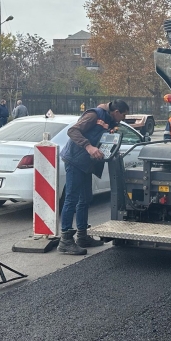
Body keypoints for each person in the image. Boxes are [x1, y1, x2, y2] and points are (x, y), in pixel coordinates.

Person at [58, 99, 130, 254]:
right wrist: (88, 146)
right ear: (117, 112)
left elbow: (101, 138)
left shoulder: (108, 120)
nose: (123, 119)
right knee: (71, 199)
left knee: (85, 199)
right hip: (75, 161)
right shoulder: (93, 115)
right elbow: (72, 131)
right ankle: (65, 240)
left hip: (86, 164)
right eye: (123, 116)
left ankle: (82, 236)